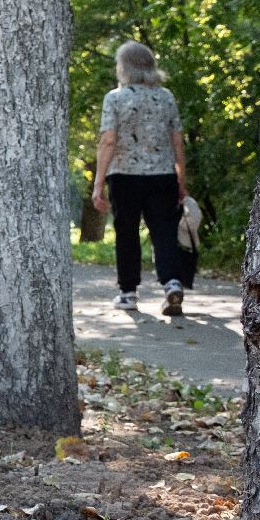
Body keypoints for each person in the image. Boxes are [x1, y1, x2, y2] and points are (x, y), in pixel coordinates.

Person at [90, 40, 187, 315]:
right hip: (163, 175)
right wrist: (181, 180)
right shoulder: (165, 97)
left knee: (127, 233)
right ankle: (171, 284)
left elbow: (108, 141)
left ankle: (128, 293)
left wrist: (98, 183)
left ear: (125, 67)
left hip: (124, 176)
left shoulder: (116, 98)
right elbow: (177, 141)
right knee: (164, 230)